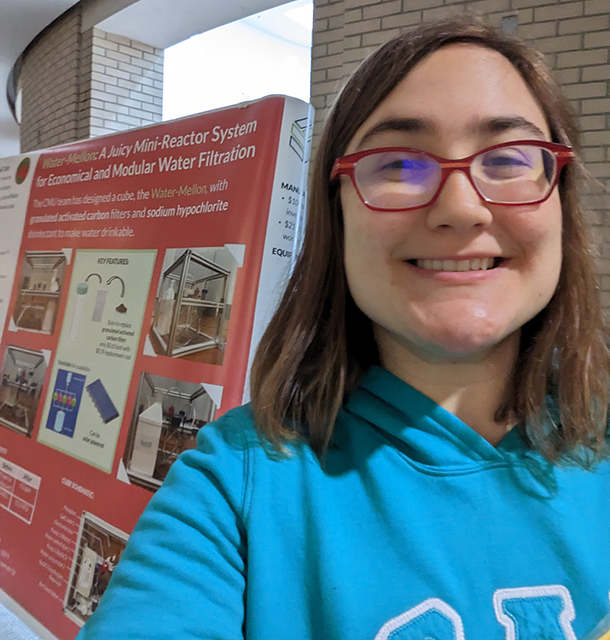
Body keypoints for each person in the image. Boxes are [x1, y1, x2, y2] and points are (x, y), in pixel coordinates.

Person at [77, 16, 610, 640]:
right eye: (398, 164)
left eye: (511, 159)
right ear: (338, 218)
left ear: (560, 200)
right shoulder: (235, 489)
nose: (461, 207)